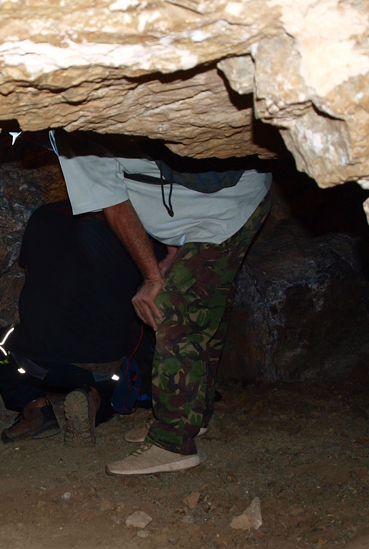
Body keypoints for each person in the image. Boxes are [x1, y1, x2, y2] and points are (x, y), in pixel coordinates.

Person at [51, 131, 273, 476]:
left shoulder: (73, 133)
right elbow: (157, 194)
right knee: (202, 310)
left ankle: (172, 442)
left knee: (172, 308)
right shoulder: (76, 134)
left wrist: (153, 279)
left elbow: (116, 207)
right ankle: (192, 416)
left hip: (229, 205)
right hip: (208, 208)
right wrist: (171, 255)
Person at [0, 199, 162, 446]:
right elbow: (157, 278)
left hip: (37, 363)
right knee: (140, 338)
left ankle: (34, 405)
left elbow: (34, 274)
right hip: (103, 367)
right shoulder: (139, 219)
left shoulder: (43, 214)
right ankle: (95, 399)